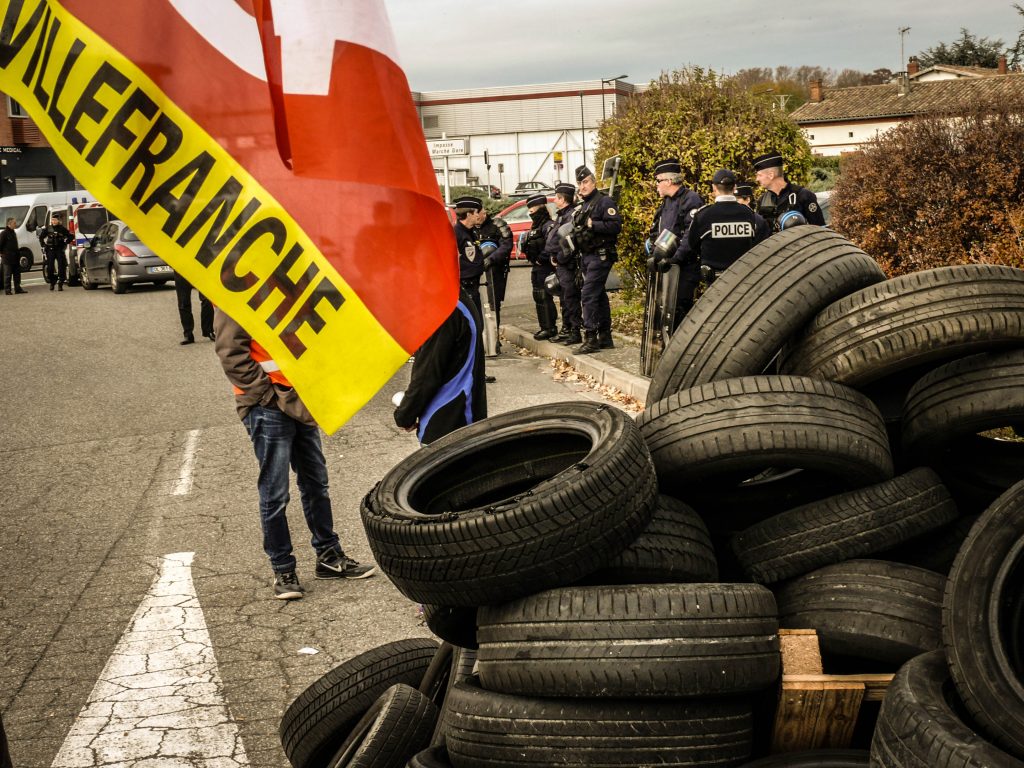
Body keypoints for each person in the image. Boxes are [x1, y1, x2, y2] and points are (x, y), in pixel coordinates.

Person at [213, 309, 376, 599]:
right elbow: (230, 353)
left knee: (316, 483)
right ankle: (283, 568)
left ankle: (328, 556)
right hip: (269, 405)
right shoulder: (233, 291)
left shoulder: (280, 283)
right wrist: (267, 395)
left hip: (299, 399)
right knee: (275, 493)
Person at [394, 287, 487, 445]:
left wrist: (405, 415)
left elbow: (427, 375)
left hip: (446, 426)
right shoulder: (460, 299)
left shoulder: (445, 309)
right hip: (464, 419)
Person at [686, 169, 771, 285]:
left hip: (714, 282)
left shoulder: (703, 215)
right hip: (744, 281)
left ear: (714, 188)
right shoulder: (748, 214)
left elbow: (692, 245)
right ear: (734, 187)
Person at [573, 165, 622, 354]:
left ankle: (591, 338)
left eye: (585, 182)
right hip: (587, 255)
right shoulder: (584, 204)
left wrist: (594, 224)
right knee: (598, 295)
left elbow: (615, 225)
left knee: (589, 294)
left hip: (600, 254)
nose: (582, 186)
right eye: (579, 183)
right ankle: (605, 336)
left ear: (593, 182)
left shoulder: (604, 202)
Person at [648, 158, 703, 323]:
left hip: (684, 266)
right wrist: (653, 254)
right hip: (668, 265)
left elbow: (690, 234)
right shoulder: (666, 202)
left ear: (669, 181)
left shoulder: (690, 199)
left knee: (679, 310)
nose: (656, 185)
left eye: (658, 181)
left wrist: (675, 259)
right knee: (665, 311)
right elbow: (658, 232)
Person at [752, 150, 825, 229]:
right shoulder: (762, 200)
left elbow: (820, 230)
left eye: (759, 175)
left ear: (771, 175)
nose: (757, 179)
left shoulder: (803, 196)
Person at [520, 193, 559, 340]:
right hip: (537, 267)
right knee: (538, 296)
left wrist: (541, 259)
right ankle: (545, 327)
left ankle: (550, 327)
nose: (531, 214)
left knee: (544, 296)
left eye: (532, 211)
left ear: (540, 209)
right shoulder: (536, 226)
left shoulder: (548, 225)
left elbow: (551, 246)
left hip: (545, 266)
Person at [550, 182, 582, 345]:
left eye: (557, 197)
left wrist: (560, 257)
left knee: (570, 297)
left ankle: (575, 331)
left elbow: (568, 241)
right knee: (564, 298)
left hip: (567, 264)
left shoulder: (570, 216)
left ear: (563, 199)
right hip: (561, 262)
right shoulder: (562, 214)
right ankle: (568, 329)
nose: (555, 200)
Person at [474, 207, 512, 333]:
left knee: (494, 303)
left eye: (477, 214)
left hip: (494, 268)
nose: (476, 218)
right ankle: (481, 334)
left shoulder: (497, 225)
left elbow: (506, 244)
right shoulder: (469, 227)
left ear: (484, 213)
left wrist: (492, 258)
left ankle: (494, 334)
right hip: (474, 269)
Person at [452, 195, 486, 317]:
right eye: (476, 212)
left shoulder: (471, 232)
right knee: (474, 326)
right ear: (468, 215)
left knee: (479, 325)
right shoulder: (456, 234)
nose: (479, 215)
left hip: (473, 287)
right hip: (464, 287)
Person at [174, 271, 215, 344]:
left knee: (207, 299)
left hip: (199, 268)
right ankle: (188, 334)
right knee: (183, 303)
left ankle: (209, 331)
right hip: (180, 269)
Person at [38, 213, 72, 291]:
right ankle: (52, 282)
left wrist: (65, 241)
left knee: (61, 266)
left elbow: (70, 236)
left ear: (58, 220)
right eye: (52, 220)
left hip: (59, 249)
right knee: (50, 267)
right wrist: (43, 245)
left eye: (55, 220)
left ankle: (60, 283)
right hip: (50, 249)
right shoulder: (48, 228)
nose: (53, 221)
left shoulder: (62, 229)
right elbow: (41, 237)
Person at [1, 217, 25, 295]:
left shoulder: (13, 232)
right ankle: (7, 290)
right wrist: (2, 253)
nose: (15, 224)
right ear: (9, 224)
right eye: (14, 223)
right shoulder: (4, 233)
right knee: (7, 275)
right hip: (7, 257)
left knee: (17, 274)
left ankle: (17, 288)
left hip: (15, 256)